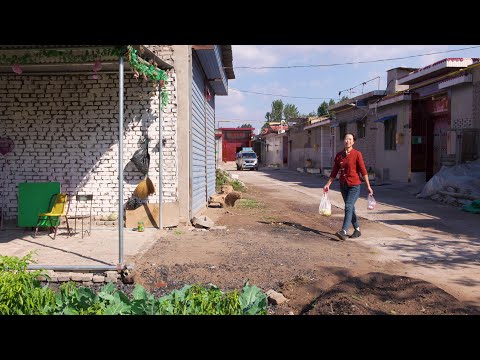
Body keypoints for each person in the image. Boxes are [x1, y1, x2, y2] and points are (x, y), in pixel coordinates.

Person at [323, 133, 373, 241]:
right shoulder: (339, 155)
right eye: (346, 139)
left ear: (353, 142)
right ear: (344, 141)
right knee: (350, 208)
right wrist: (328, 184)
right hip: (343, 185)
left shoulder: (357, 154)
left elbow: (363, 171)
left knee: (348, 206)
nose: (348, 141)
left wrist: (368, 186)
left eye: (350, 139)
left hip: (354, 185)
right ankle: (357, 230)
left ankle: (343, 231)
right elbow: (334, 171)